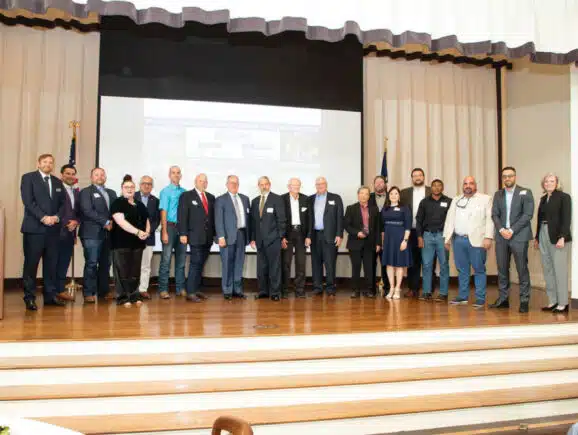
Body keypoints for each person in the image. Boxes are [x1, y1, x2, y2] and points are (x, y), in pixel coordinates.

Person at [20, 154, 67, 310]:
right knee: (31, 265)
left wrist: (57, 217)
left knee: (51, 265)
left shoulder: (57, 182)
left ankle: (50, 296)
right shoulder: (28, 178)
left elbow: (63, 204)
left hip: (53, 231)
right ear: (38, 163)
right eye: (45, 162)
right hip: (34, 230)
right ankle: (29, 297)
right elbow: (28, 201)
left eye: (51, 162)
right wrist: (43, 217)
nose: (48, 164)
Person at [443, 176, 494, 308]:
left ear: (475, 186)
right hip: (458, 239)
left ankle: (480, 298)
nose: (468, 186)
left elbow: (490, 219)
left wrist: (488, 237)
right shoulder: (456, 199)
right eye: (465, 183)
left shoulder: (485, 199)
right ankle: (462, 296)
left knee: (479, 269)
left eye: (471, 183)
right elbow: (449, 219)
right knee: (462, 270)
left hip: (477, 241)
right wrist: (447, 238)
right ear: (462, 186)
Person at [491, 167, 535, 313]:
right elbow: (494, 215)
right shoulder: (498, 194)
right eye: (504, 176)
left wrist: (512, 230)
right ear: (502, 179)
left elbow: (527, 214)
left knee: (522, 269)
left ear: (515, 177)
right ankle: (503, 299)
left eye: (510, 176)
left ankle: (524, 300)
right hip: (502, 237)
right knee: (502, 269)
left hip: (519, 236)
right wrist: (502, 230)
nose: (507, 179)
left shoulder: (525, 192)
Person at [534, 173, 571, 314]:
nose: (549, 183)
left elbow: (566, 219)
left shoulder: (564, 197)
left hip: (557, 237)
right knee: (548, 269)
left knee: (559, 270)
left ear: (557, 183)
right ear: (543, 184)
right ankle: (553, 301)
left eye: (552, 181)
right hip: (543, 234)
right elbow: (539, 219)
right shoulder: (543, 199)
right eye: (546, 181)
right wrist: (537, 237)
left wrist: (563, 237)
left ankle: (563, 303)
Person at [79, 167, 117, 304]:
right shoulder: (85, 192)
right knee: (91, 263)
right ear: (91, 177)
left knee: (106, 264)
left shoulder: (111, 193)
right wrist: (105, 222)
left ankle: (104, 291)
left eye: (102, 174)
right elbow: (87, 210)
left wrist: (114, 223)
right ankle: (88, 292)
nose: (100, 177)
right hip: (91, 233)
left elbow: (116, 212)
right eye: (96, 174)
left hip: (109, 234)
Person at [110, 175, 150, 307]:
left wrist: (147, 232)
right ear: (122, 189)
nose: (129, 189)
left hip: (138, 243)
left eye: (132, 187)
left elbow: (147, 220)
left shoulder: (140, 204)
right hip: (121, 242)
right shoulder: (117, 203)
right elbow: (121, 221)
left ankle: (134, 295)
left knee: (134, 271)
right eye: (126, 187)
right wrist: (138, 232)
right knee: (122, 271)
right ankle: (123, 297)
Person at [178, 173, 215, 303]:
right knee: (195, 263)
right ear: (195, 182)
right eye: (201, 181)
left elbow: (212, 218)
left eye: (205, 181)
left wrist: (215, 234)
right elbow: (182, 215)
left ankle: (197, 289)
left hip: (208, 237)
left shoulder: (211, 197)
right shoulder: (186, 196)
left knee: (201, 263)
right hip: (194, 236)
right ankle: (190, 292)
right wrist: (183, 233)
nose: (203, 183)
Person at [214, 175, 251, 300]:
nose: (234, 185)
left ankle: (237, 290)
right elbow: (218, 220)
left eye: (236, 183)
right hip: (227, 237)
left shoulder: (245, 199)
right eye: (231, 183)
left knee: (239, 263)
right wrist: (221, 236)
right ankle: (228, 290)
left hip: (241, 235)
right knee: (227, 264)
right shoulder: (220, 200)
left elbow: (248, 219)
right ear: (227, 184)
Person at [251, 176, 286, 302]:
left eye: (266, 184)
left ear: (269, 185)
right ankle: (263, 291)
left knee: (274, 268)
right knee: (262, 268)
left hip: (273, 240)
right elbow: (254, 222)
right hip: (260, 241)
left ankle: (275, 292)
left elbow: (282, 220)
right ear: (258, 186)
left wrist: (280, 237)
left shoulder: (277, 199)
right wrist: (253, 238)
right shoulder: (255, 201)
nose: (264, 186)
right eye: (261, 184)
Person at [307, 177, 344, 297]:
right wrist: (307, 236)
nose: (320, 186)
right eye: (317, 184)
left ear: (326, 185)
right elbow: (308, 219)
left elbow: (340, 218)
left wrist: (339, 234)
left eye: (322, 184)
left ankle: (330, 287)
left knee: (330, 263)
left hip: (330, 236)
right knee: (316, 263)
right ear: (315, 185)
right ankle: (317, 287)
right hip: (315, 235)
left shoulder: (335, 198)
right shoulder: (310, 199)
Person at [416, 179, 451, 302]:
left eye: (439, 186)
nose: (436, 188)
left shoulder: (448, 201)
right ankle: (426, 292)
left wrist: (449, 238)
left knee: (444, 265)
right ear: (431, 188)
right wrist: (419, 237)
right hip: (427, 236)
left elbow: (452, 221)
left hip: (443, 236)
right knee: (426, 265)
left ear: (442, 188)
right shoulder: (424, 202)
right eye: (434, 186)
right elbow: (419, 220)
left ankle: (443, 293)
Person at [345, 186, 382, 298]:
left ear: (369, 196)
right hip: (355, 242)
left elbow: (377, 228)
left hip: (370, 243)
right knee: (356, 267)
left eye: (366, 194)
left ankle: (369, 290)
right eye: (361, 193)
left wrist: (378, 243)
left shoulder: (374, 209)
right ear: (358, 195)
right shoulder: (351, 208)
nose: (363, 196)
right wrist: (357, 233)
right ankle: (355, 290)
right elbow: (346, 225)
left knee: (369, 268)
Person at [400, 168, 431, 297]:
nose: (417, 177)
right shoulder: (404, 193)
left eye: (420, 175)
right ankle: (413, 289)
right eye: (415, 176)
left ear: (423, 177)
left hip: (428, 231)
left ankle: (428, 289)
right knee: (413, 262)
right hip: (411, 232)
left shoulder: (431, 191)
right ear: (411, 178)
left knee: (429, 261)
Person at [158, 166, 186, 299]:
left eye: (178, 173)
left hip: (182, 228)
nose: (176, 175)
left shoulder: (185, 192)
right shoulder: (165, 191)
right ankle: (163, 289)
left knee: (181, 261)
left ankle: (180, 288)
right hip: (169, 227)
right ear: (169, 175)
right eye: (173, 173)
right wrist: (164, 231)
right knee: (166, 259)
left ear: (181, 175)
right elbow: (163, 212)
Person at [53, 164, 79, 303]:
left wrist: (76, 222)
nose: (70, 176)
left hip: (70, 233)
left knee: (64, 262)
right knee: (53, 263)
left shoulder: (76, 191)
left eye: (72, 173)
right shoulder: (56, 189)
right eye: (67, 173)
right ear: (62, 175)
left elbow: (77, 211)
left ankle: (60, 290)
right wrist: (65, 223)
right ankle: (51, 292)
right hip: (56, 232)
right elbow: (53, 209)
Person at [281, 177, 310, 299]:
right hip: (287, 234)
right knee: (285, 262)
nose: (296, 188)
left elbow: (310, 219)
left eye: (298, 185)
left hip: (301, 234)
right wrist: (281, 236)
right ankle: (284, 289)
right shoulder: (282, 199)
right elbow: (279, 219)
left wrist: (309, 236)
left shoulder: (305, 199)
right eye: (294, 186)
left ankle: (300, 290)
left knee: (301, 263)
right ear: (289, 187)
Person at [381, 186, 412, 299]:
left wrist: (405, 240)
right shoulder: (385, 209)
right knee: (389, 264)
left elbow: (408, 226)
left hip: (400, 238)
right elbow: (382, 228)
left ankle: (398, 288)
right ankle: (391, 288)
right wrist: (383, 241)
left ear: (399, 196)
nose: (393, 196)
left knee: (399, 265)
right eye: (391, 194)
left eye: (396, 193)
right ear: (389, 196)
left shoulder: (405, 208)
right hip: (388, 239)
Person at [134, 175, 160, 300]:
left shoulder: (155, 200)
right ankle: (131, 289)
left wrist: (148, 231)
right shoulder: (131, 197)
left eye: (149, 184)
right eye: (144, 183)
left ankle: (143, 289)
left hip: (148, 237)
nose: (147, 185)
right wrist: (137, 232)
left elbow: (156, 219)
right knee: (131, 264)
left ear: (152, 186)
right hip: (132, 237)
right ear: (140, 184)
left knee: (145, 265)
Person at [369, 175, 390, 295]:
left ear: (385, 184)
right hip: (372, 237)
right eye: (376, 182)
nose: (379, 184)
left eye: (381, 182)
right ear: (374, 185)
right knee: (371, 263)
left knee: (386, 263)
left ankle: (387, 287)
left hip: (388, 236)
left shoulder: (392, 197)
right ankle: (371, 288)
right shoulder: (369, 197)